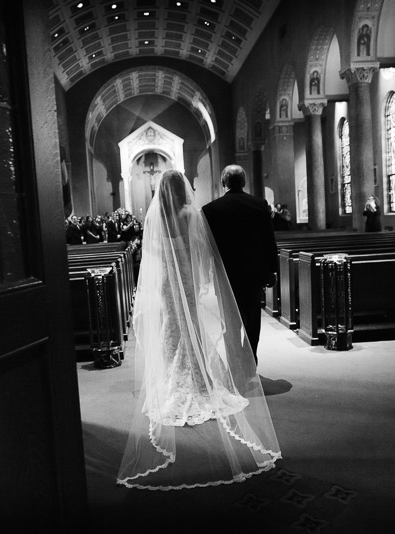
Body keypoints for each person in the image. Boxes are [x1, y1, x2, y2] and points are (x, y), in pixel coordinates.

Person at [117, 169, 281, 490]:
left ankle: (171, 381)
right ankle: (198, 381)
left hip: (166, 282)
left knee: (171, 327)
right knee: (190, 325)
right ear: (183, 190)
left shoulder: (157, 216)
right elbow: (202, 249)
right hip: (188, 282)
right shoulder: (190, 213)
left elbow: (150, 254)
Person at [202, 164, 278, 364]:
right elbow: (269, 241)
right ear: (244, 182)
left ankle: (235, 364)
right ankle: (250, 359)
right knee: (252, 319)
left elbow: (208, 246)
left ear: (223, 182)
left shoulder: (210, 210)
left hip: (225, 274)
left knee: (230, 321)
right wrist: (272, 270)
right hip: (253, 274)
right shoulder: (259, 205)